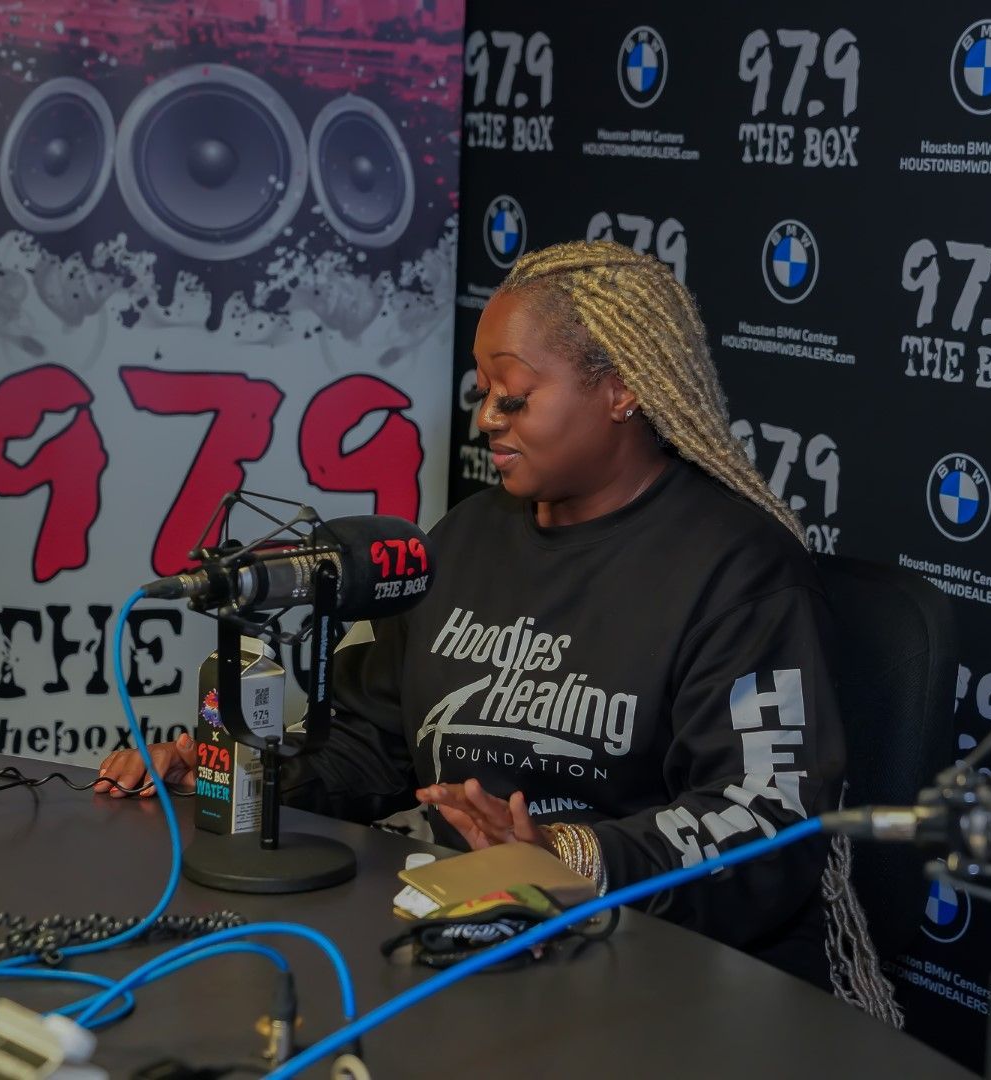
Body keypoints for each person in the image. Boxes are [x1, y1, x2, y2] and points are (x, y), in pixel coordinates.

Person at [97, 240, 886, 1001]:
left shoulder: (738, 572)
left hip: (660, 972)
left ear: (621, 391)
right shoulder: (464, 539)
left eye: (512, 397)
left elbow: (765, 820)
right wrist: (239, 777)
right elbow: (374, 739)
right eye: (482, 394)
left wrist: (567, 856)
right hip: (476, 944)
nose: (485, 419)